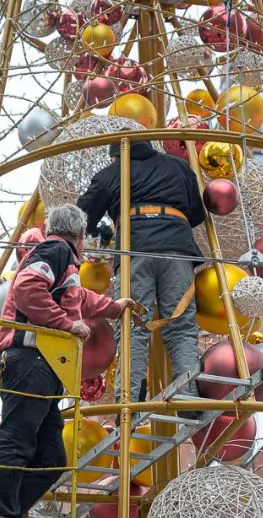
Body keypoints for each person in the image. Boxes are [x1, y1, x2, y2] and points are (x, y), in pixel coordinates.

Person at [0, 204, 136, 518]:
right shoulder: (55, 250)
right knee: (19, 439)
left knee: (52, 457)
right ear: (80, 234)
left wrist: (113, 306)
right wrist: (67, 325)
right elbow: (28, 290)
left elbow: (78, 299)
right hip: (30, 359)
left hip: (45, 366)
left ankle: (12, 512)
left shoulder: (62, 262)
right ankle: (0, 515)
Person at [79, 140, 206, 405]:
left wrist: (102, 228)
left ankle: (130, 400)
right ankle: (187, 395)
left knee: (132, 326)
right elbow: (196, 213)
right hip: (177, 250)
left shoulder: (112, 173)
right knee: (181, 326)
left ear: (115, 155)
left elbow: (83, 215)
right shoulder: (179, 167)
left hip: (134, 251)